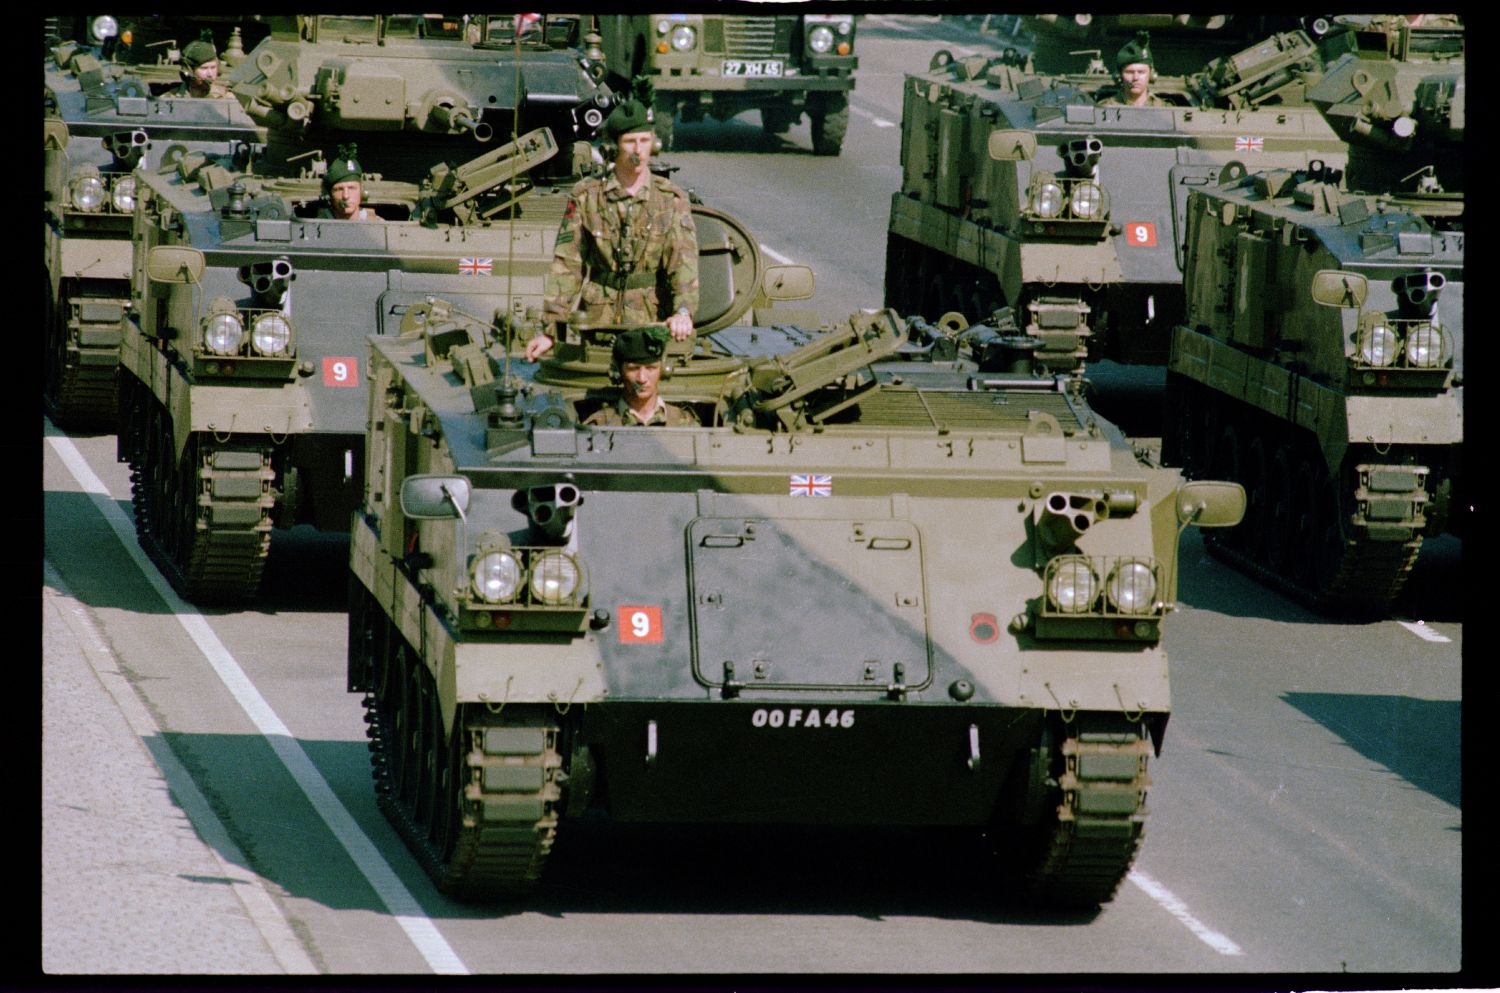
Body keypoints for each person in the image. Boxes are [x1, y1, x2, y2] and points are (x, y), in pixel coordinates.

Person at [525, 95, 698, 362]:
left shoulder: (670, 199)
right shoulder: (587, 195)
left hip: (651, 321)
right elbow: (568, 263)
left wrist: (683, 312)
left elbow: (683, 262)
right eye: (629, 142)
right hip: (597, 320)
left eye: (644, 140)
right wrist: (551, 330)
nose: (638, 150)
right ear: (614, 146)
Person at [583, 326, 699, 426]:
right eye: (633, 369)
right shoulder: (600, 425)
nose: (642, 378)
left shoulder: (684, 422)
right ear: (618, 371)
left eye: (651, 368)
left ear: (662, 371)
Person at [1098, 32, 1169, 108]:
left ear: (1151, 74)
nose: (1135, 78)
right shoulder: (1105, 108)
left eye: (1141, 72)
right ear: (1120, 75)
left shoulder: (1165, 108)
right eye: (1129, 72)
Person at [320, 145, 374, 221]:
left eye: (352, 188)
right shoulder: (314, 227)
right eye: (339, 189)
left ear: (361, 192)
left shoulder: (380, 226)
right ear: (330, 195)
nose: (345, 196)